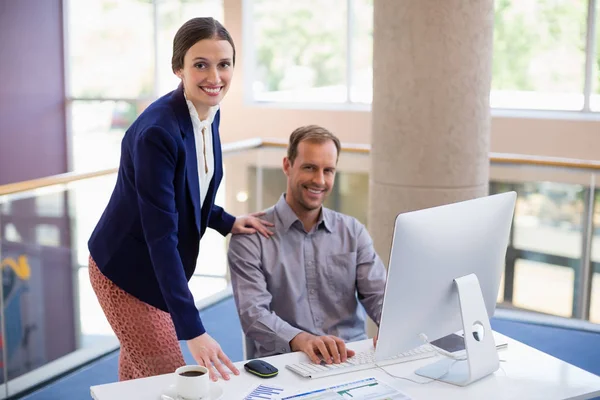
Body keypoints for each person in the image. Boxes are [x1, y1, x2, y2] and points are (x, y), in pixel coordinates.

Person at [88, 17, 273, 382]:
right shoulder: (159, 132)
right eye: (200, 65)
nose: (214, 76)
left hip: (157, 272)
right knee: (174, 381)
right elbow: (161, 234)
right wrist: (193, 330)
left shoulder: (207, 113)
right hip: (126, 273)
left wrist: (225, 221)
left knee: (138, 386)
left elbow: (191, 191)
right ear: (179, 68)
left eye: (224, 64)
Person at [227, 125, 386, 365]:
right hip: (288, 363)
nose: (319, 180)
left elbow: (379, 295)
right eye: (310, 167)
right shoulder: (251, 237)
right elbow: (254, 315)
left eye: (328, 170)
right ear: (287, 166)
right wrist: (303, 340)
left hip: (352, 358)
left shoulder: (352, 231)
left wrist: (394, 325)